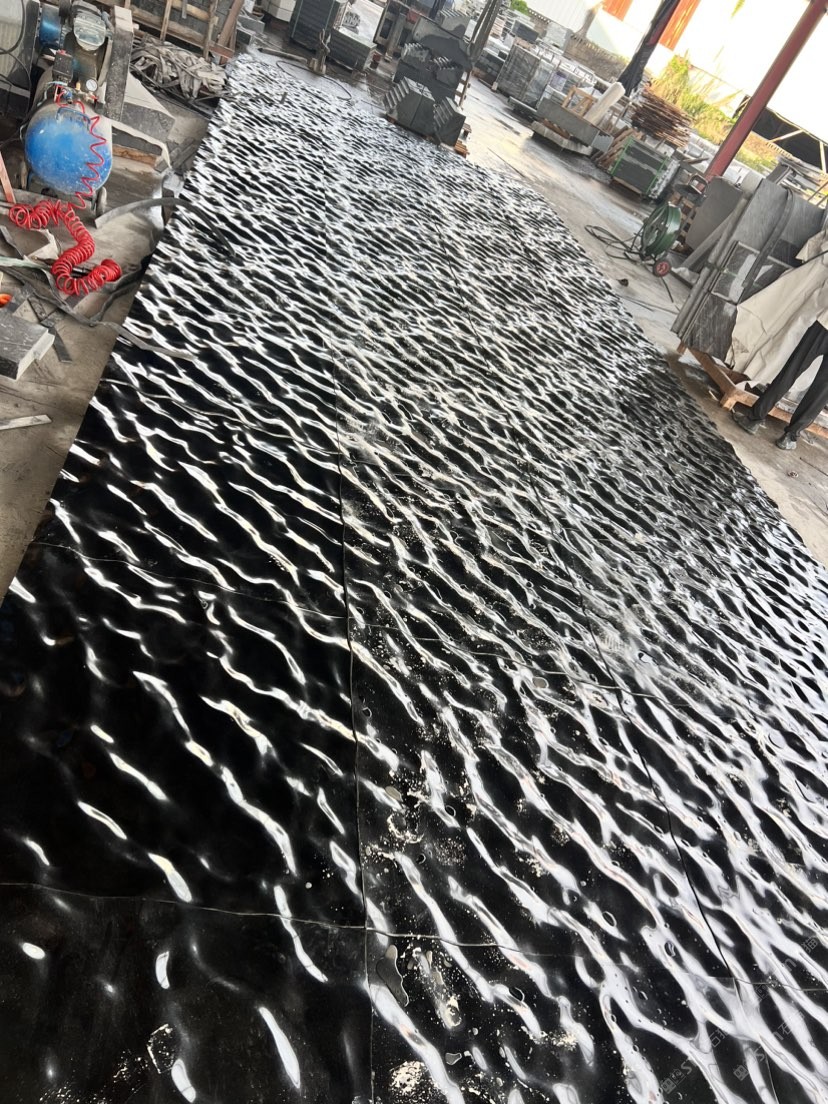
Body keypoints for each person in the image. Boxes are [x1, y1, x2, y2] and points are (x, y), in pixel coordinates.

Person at [731, 320, 828, 450]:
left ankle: (753, 419)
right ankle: (790, 437)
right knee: (821, 392)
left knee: (790, 372)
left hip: (824, 326)